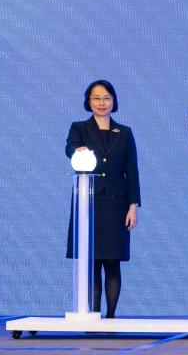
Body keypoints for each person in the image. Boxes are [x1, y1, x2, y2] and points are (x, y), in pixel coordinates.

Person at [65, 79, 141, 318]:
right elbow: (70, 149)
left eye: (106, 98)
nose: (101, 103)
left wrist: (133, 205)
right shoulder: (79, 128)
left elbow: (133, 170)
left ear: (114, 101)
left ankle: (110, 316)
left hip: (117, 204)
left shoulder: (125, 132)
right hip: (89, 204)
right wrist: (77, 151)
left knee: (112, 262)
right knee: (92, 263)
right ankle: (93, 314)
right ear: (88, 102)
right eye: (96, 98)